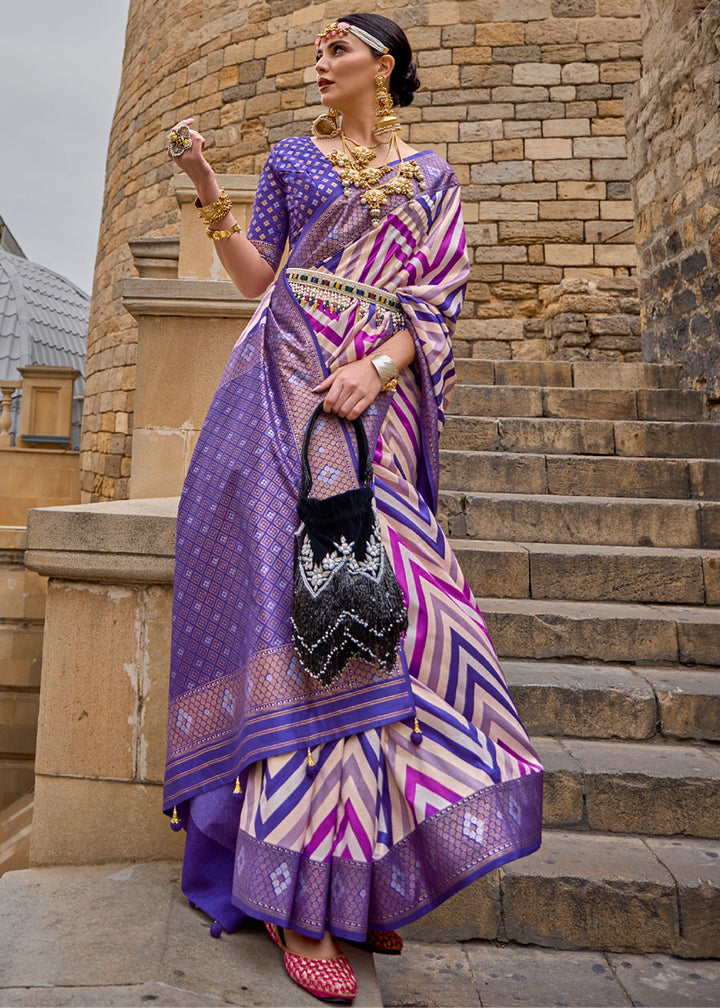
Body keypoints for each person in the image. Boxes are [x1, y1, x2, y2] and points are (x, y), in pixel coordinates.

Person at [163, 13, 543, 1004]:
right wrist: (215, 200)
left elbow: (439, 300)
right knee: (313, 621)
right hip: (283, 390)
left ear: (383, 65)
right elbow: (263, 279)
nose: (316, 64)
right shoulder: (294, 158)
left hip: (376, 402)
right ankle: (298, 894)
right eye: (314, 50)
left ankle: (364, 870)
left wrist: (375, 371)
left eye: (335, 51)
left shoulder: (435, 176)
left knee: (405, 619)